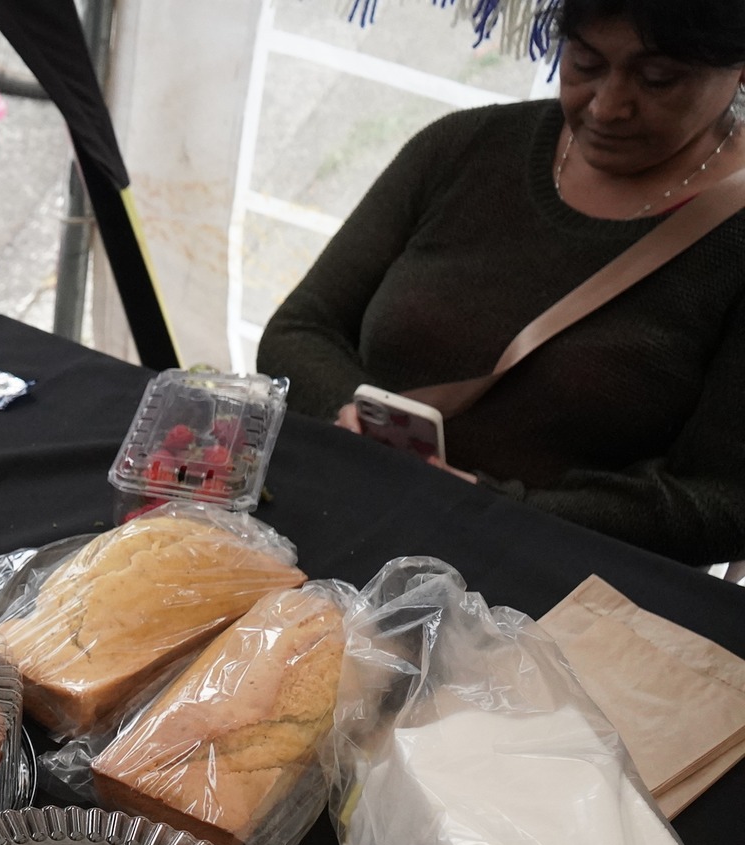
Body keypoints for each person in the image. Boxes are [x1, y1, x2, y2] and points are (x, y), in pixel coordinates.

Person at [256, 0, 745, 565]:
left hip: (543, 583)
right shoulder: (466, 147)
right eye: (585, 63)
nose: (607, 106)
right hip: (341, 523)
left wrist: (495, 507)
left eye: (657, 79)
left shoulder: (730, 240)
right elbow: (299, 328)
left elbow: (724, 504)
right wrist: (354, 415)